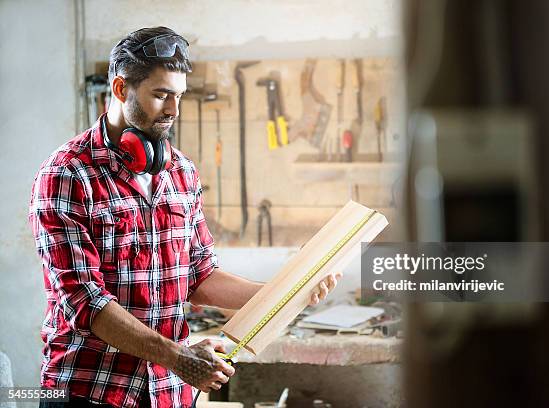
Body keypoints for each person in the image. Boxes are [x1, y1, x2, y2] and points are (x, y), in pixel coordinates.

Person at [29, 27, 340, 408]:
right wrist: (178, 357)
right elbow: (86, 303)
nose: (174, 110)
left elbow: (200, 275)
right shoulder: (66, 174)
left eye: (178, 96)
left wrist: (286, 295)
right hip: (90, 391)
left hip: (166, 394)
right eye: (161, 95)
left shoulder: (180, 171)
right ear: (122, 89)